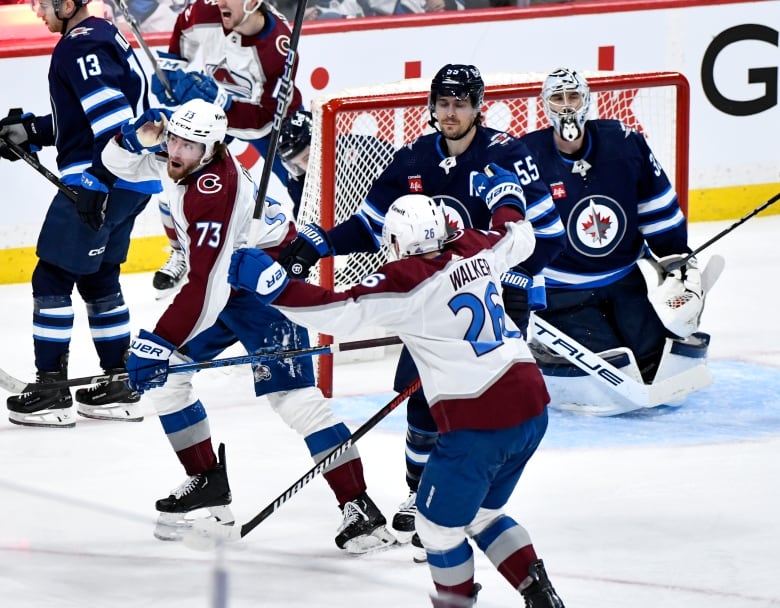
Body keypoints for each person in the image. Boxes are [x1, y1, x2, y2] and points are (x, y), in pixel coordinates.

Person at [276, 64, 566, 552]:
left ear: (478, 107)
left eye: (460, 103)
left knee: (478, 398)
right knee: (421, 400)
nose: (450, 113)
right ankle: (420, 493)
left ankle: (471, 498)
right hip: (430, 297)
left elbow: (547, 238)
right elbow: (371, 225)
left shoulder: (507, 154)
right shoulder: (413, 157)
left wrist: (499, 275)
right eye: (442, 103)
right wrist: (320, 244)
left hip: (492, 289)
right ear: (431, 106)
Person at [228, 192, 566, 608]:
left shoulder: (407, 280)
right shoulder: (477, 244)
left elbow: (335, 311)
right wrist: (507, 197)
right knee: (481, 515)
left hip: (480, 421)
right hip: (532, 406)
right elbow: (519, 235)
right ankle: (542, 597)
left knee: (437, 530)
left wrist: (272, 286)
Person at [104, 98, 395, 552]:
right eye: (173, 140)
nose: (175, 151)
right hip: (226, 286)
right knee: (168, 384)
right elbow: (120, 166)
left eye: (188, 144)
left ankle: (360, 508)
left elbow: (205, 288)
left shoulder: (214, 189)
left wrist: (158, 342)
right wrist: (129, 139)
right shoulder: (184, 156)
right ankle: (207, 483)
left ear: (213, 149)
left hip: (265, 288)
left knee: (296, 401)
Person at [0, 0, 156, 428]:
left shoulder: (78, 46)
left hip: (100, 180)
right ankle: (118, 383)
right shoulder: (104, 35)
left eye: (40, 2)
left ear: (68, 4)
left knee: (50, 276)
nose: (35, 10)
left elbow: (113, 122)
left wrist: (96, 183)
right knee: (98, 276)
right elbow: (86, 118)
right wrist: (32, 131)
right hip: (134, 183)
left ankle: (50, 389)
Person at [518, 68, 707, 412]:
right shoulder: (525, 157)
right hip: (562, 293)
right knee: (609, 368)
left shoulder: (623, 142)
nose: (566, 107)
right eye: (557, 98)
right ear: (545, 105)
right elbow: (510, 228)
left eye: (573, 97)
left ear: (587, 100)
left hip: (624, 281)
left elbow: (655, 202)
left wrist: (676, 256)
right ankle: (547, 344)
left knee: (649, 361)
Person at [147, 0, 304, 298]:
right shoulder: (204, 11)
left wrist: (224, 104)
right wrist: (172, 67)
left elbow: (262, 119)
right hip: (216, 111)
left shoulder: (279, 49)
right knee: (175, 178)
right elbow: (184, 25)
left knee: (305, 188)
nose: (218, 2)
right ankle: (181, 253)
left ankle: (304, 256)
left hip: (270, 121)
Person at [278, 108, 395, 222]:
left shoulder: (359, 148)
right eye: (297, 164)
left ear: (321, 141)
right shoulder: (298, 182)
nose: (306, 167)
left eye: (307, 157)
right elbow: (304, 223)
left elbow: (400, 165)